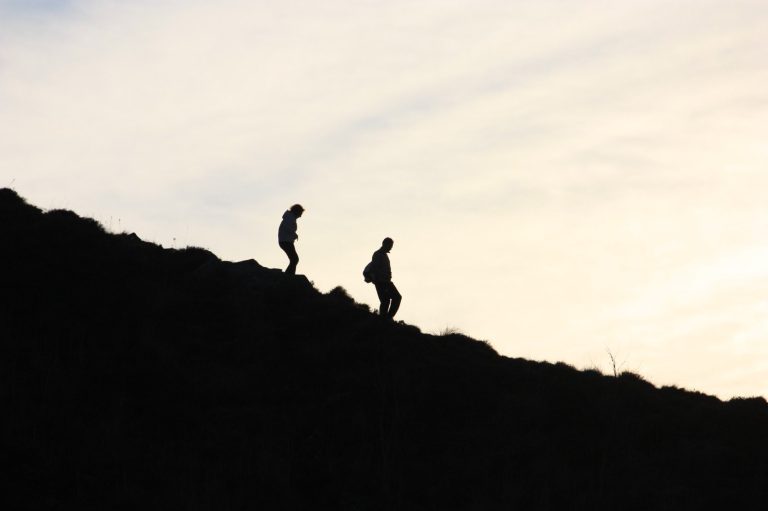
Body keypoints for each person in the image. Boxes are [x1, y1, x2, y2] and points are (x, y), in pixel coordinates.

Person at [370, 237, 402, 318]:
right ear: (385, 244)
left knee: (387, 300)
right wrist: (377, 280)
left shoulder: (384, 255)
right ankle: (386, 318)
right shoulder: (378, 254)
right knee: (388, 300)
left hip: (385, 281)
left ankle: (386, 318)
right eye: (390, 245)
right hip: (381, 282)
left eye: (391, 245)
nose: (391, 247)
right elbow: (375, 268)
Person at [278, 204, 304, 275]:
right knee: (294, 259)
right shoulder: (290, 218)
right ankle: (289, 277)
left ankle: (289, 275)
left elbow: (288, 228)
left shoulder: (289, 217)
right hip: (286, 241)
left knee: (294, 259)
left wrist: (293, 235)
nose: (301, 216)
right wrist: (294, 234)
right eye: (300, 213)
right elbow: (287, 228)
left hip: (286, 241)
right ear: (297, 211)